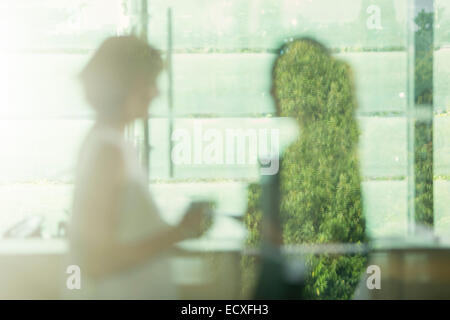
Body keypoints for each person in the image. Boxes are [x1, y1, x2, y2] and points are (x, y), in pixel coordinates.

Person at [67, 36, 210, 299]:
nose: (156, 92)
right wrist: (180, 231)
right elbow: (97, 260)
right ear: (123, 84)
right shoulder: (107, 151)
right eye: (150, 82)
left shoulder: (111, 145)